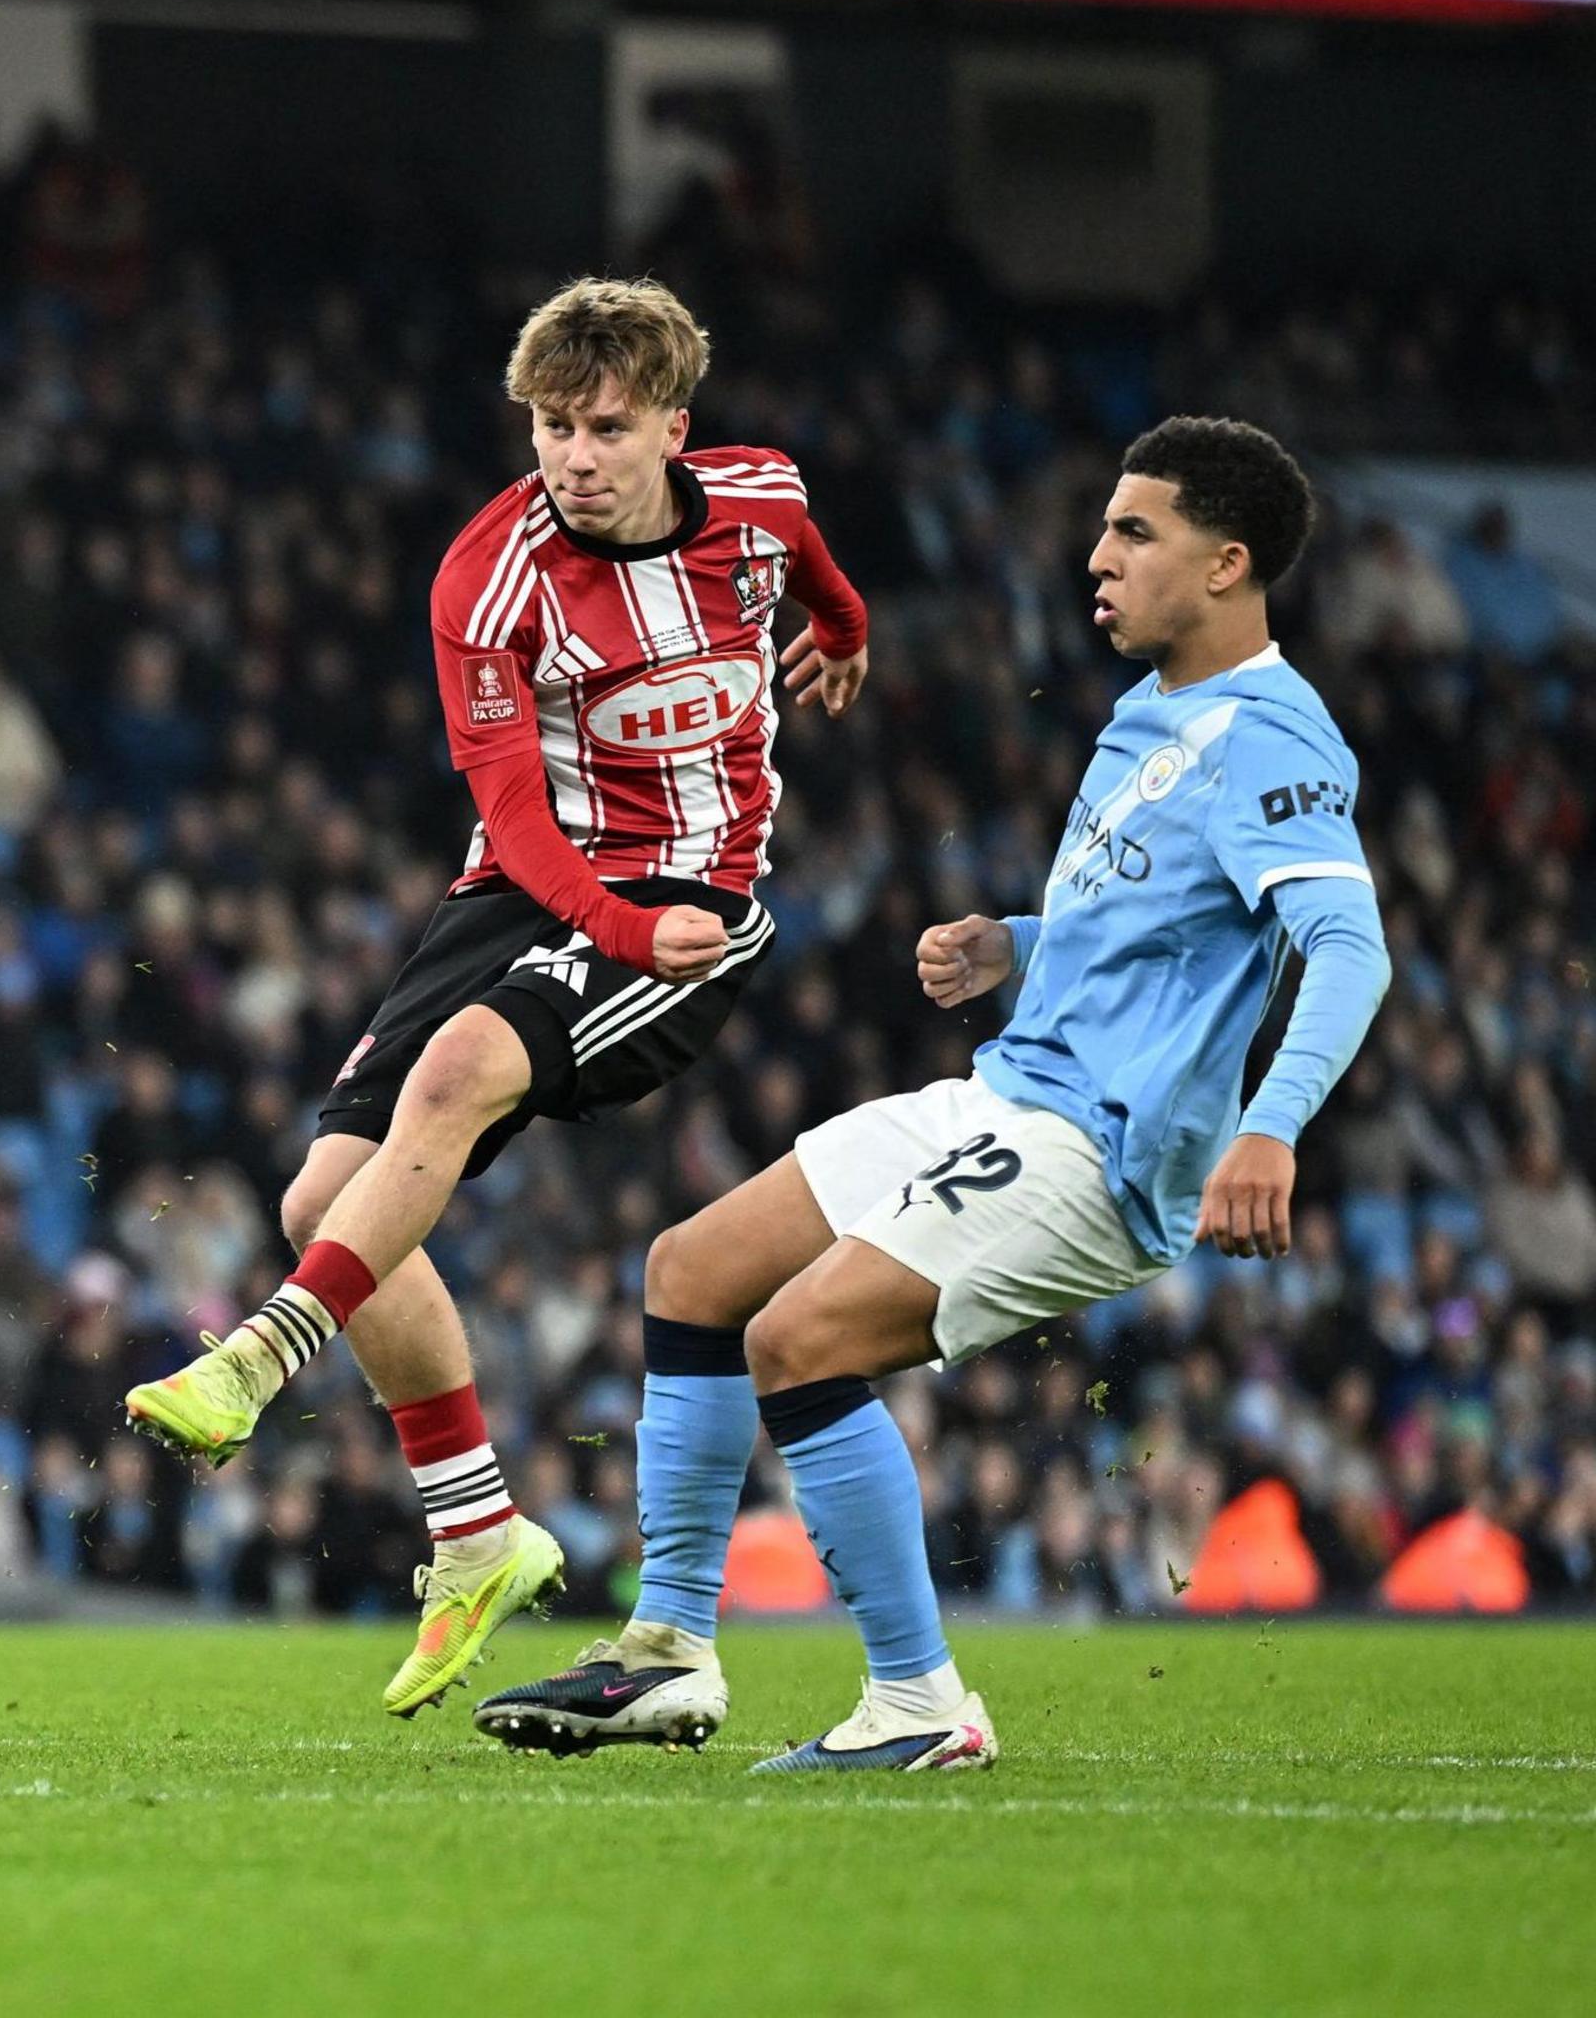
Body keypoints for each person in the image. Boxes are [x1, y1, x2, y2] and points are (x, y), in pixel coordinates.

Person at [482, 417, 1387, 1772]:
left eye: (1136, 532)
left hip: (1101, 1147)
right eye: (1103, 525)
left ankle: (917, 1702)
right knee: (692, 1269)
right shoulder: (1152, 715)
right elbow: (1158, 925)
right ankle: (666, 1650)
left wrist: (1271, 1127)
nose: (1098, 556)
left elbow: (1348, 946)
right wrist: (1016, 944)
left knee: (798, 1340)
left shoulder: (1271, 735)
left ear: (1227, 563)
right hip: (1004, 1092)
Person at [122, 277, 871, 1715]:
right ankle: (476, 1533)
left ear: (671, 426)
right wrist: (605, 923)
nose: (573, 457)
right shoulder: (490, 573)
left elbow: (821, 571)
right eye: (549, 426)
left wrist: (838, 632)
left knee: (460, 1077)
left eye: (604, 427)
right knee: (319, 1201)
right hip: (537, 885)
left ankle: (259, 1359)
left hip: (695, 895)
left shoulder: (759, 504)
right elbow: (515, 819)